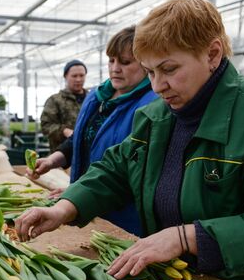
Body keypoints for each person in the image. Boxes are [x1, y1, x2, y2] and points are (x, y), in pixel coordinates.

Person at [16, 0, 244, 280]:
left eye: (168, 69)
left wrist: (185, 237)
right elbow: (117, 170)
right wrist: (65, 208)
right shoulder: (157, 117)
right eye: (150, 72)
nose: (156, 86)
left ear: (212, 54)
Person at [27, 26, 157, 236]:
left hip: (122, 215)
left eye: (125, 62)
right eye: (111, 60)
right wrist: (54, 161)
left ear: (146, 64)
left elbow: (124, 170)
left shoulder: (151, 106)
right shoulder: (98, 96)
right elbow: (82, 139)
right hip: (88, 204)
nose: (115, 68)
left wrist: (79, 197)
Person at [40, 60, 87, 152]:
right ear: (65, 76)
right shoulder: (55, 101)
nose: (78, 79)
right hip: (61, 157)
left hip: (88, 155)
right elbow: (46, 126)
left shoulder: (92, 100)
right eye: (74, 76)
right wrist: (64, 131)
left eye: (81, 75)